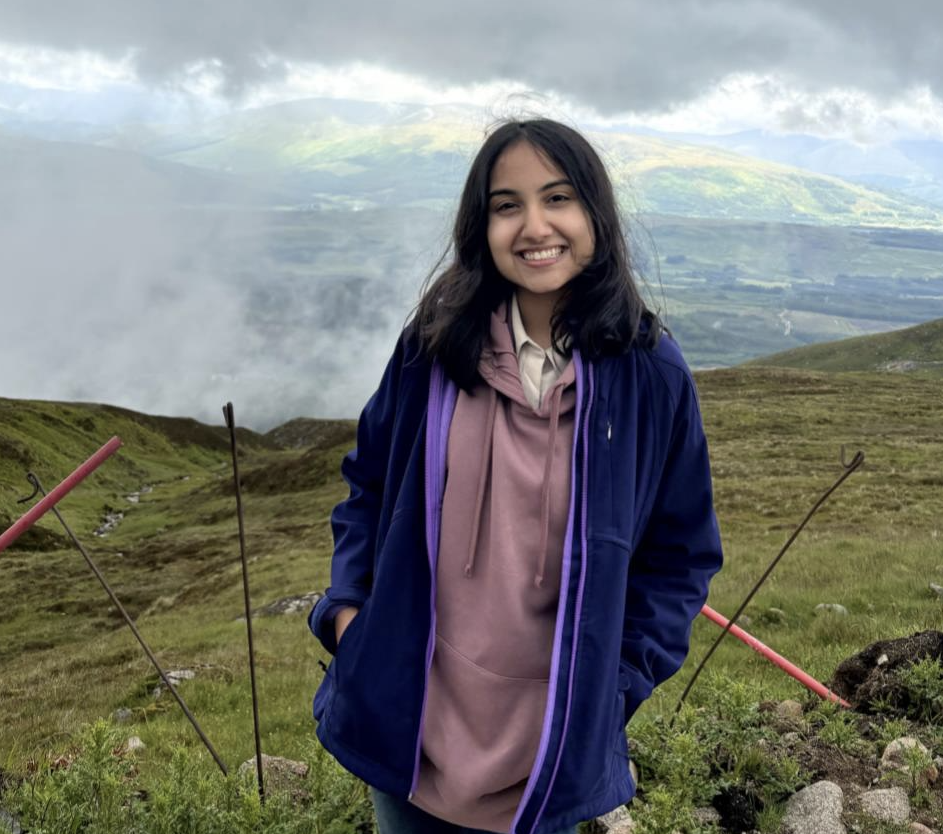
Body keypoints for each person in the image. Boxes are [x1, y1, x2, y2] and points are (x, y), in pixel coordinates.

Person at [308, 118, 724, 834]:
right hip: (409, 722)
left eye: (557, 198)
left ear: (595, 214)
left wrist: (613, 686)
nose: (535, 226)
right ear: (482, 225)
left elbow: (681, 554)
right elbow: (368, 485)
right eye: (507, 205)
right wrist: (352, 618)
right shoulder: (434, 348)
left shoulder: (650, 376)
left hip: (549, 748)